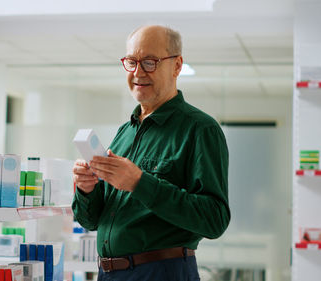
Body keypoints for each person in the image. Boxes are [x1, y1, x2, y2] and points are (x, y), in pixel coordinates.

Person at [72, 25, 230, 281]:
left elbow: (215, 219)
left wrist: (139, 182)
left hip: (161, 272)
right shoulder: (126, 132)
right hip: (108, 273)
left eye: (149, 62)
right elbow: (91, 221)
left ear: (177, 66)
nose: (138, 72)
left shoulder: (200, 129)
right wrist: (87, 190)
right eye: (131, 62)